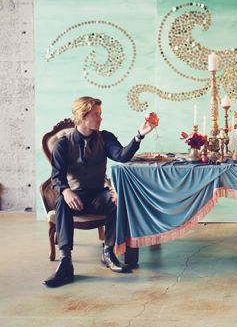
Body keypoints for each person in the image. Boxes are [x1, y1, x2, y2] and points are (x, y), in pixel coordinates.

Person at [44, 96, 155, 288]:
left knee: (116, 200)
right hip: (75, 196)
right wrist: (66, 191)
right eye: (96, 114)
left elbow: (121, 156)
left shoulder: (105, 137)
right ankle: (65, 262)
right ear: (82, 115)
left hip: (97, 195)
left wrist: (140, 135)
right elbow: (56, 177)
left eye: (100, 114)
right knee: (62, 201)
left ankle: (108, 252)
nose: (100, 118)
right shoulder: (63, 144)